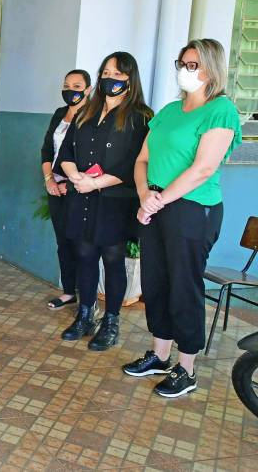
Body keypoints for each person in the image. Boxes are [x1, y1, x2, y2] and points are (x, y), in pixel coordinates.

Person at [123, 39, 242, 397]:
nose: (185, 70)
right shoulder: (170, 111)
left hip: (192, 209)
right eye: (182, 63)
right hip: (155, 202)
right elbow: (142, 158)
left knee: (184, 285)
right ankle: (160, 354)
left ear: (211, 68)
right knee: (156, 281)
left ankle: (186, 368)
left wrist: (157, 201)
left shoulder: (221, 110)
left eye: (194, 65)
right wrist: (145, 194)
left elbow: (203, 168)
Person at [58, 52, 153, 351]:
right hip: (81, 196)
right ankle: (85, 313)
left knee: (112, 261)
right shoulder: (86, 111)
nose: (110, 78)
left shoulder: (141, 117)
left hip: (114, 201)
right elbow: (65, 154)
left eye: (118, 74)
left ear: (130, 79)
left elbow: (134, 163)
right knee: (84, 256)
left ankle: (111, 321)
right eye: (106, 72)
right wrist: (76, 178)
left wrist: (95, 183)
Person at [41, 69, 91, 310]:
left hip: (79, 189)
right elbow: (47, 150)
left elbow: (91, 161)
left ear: (88, 90)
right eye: (67, 85)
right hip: (55, 188)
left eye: (77, 86)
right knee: (63, 242)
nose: (71, 90)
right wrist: (49, 180)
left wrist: (68, 184)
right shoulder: (60, 114)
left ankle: (87, 298)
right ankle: (69, 291)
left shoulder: (92, 117)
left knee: (81, 243)